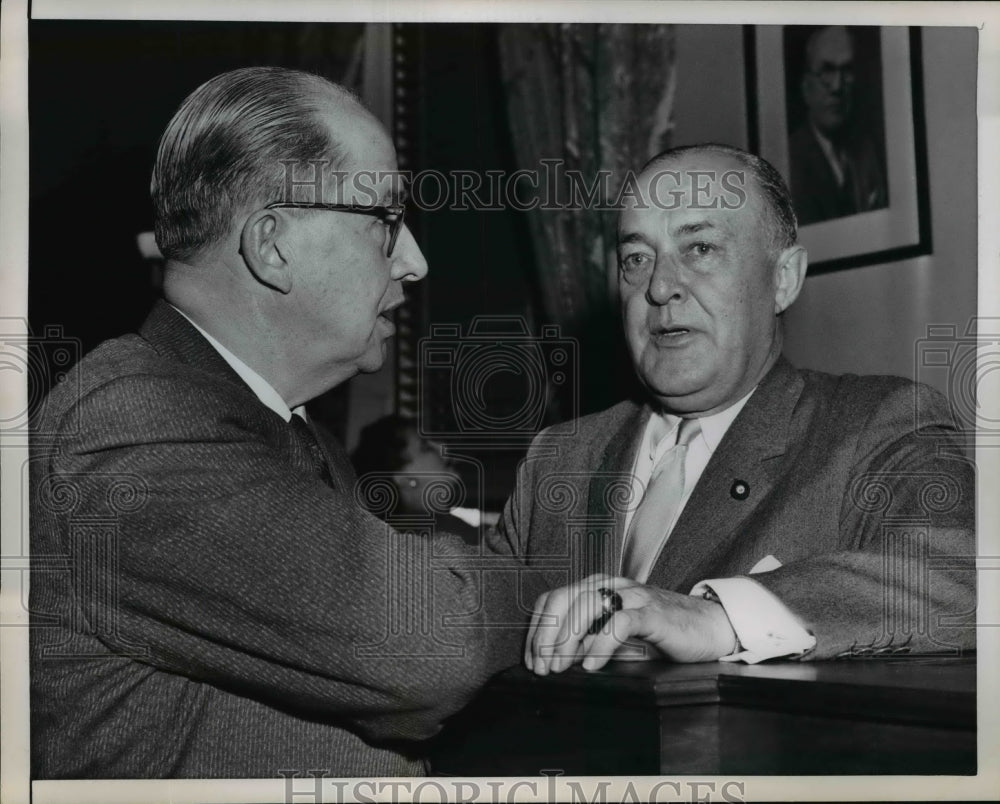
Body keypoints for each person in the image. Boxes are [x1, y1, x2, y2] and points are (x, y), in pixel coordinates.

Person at [29, 67, 540, 779]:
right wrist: (558, 586)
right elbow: (429, 643)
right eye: (386, 222)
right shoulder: (130, 423)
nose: (415, 262)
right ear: (272, 245)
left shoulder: (284, 428)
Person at [505, 143, 974, 673]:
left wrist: (720, 617)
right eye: (636, 258)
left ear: (783, 279)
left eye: (700, 248)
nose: (659, 287)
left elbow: (965, 574)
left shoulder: (878, 425)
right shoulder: (559, 457)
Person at [788, 26, 888, 225]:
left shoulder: (869, 152)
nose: (837, 86)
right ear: (805, 84)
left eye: (846, 70)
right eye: (827, 71)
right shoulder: (790, 158)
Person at [351, 415, 482, 546]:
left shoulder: (431, 529)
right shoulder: (439, 536)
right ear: (404, 479)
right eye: (425, 447)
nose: (442, 448)